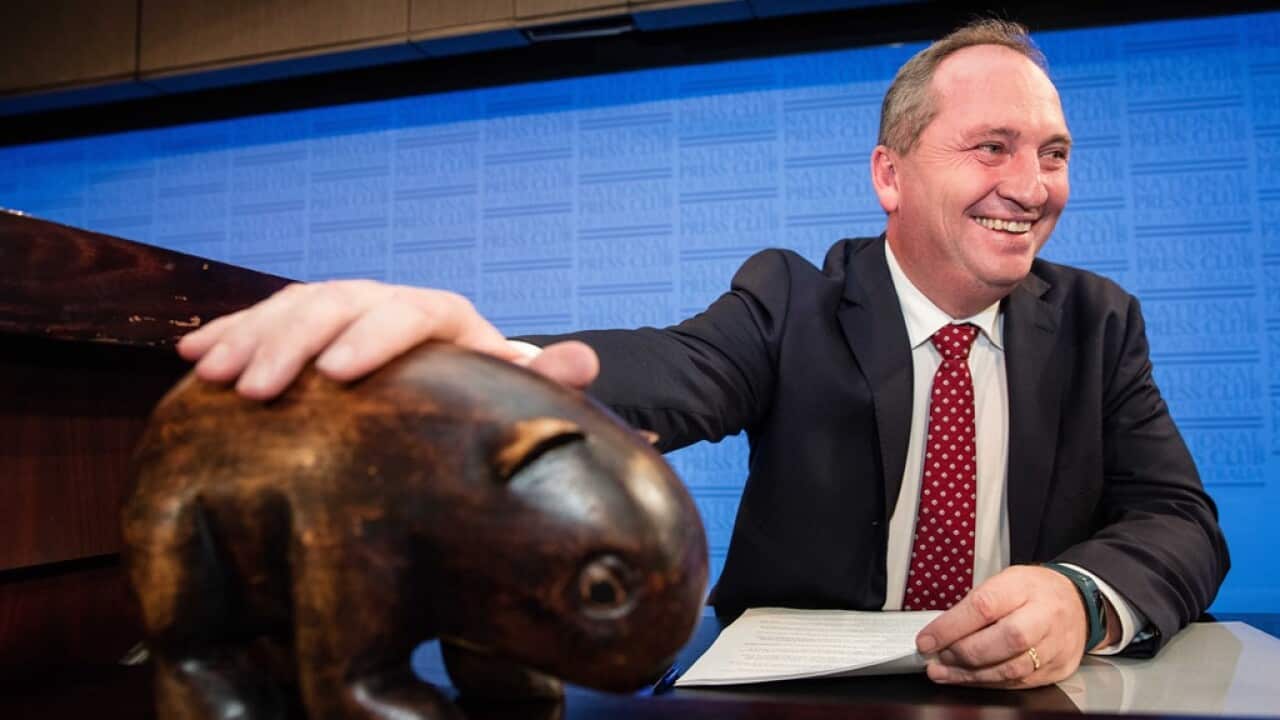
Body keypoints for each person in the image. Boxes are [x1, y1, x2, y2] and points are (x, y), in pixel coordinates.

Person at [176, 19, 1228, 689]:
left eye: (1051, 153)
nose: (1032, 183)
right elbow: (664, 370)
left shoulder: (1098, 320)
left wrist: (1078, 599)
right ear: (889, 176)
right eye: (990, 146)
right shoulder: (790, 298)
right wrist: (485, 358)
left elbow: (1177, 520)